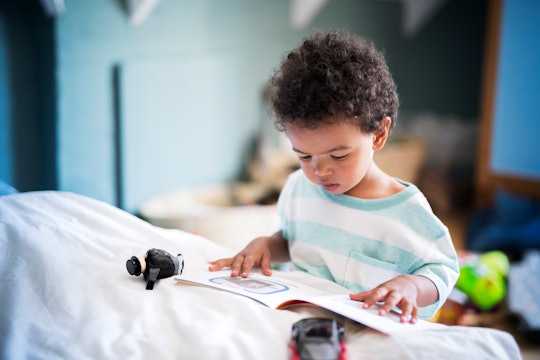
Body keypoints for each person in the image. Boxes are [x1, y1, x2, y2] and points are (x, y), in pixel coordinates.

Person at [209, 29, 459, 323]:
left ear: (378, 135)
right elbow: (294, 241)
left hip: (369, 331)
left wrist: (411, 286)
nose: (320, 170)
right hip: (303, 323)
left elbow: (442, 270)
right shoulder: (299, 189)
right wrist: (267, 245)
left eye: (339, 156)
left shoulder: (407, 211)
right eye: (303, 156)